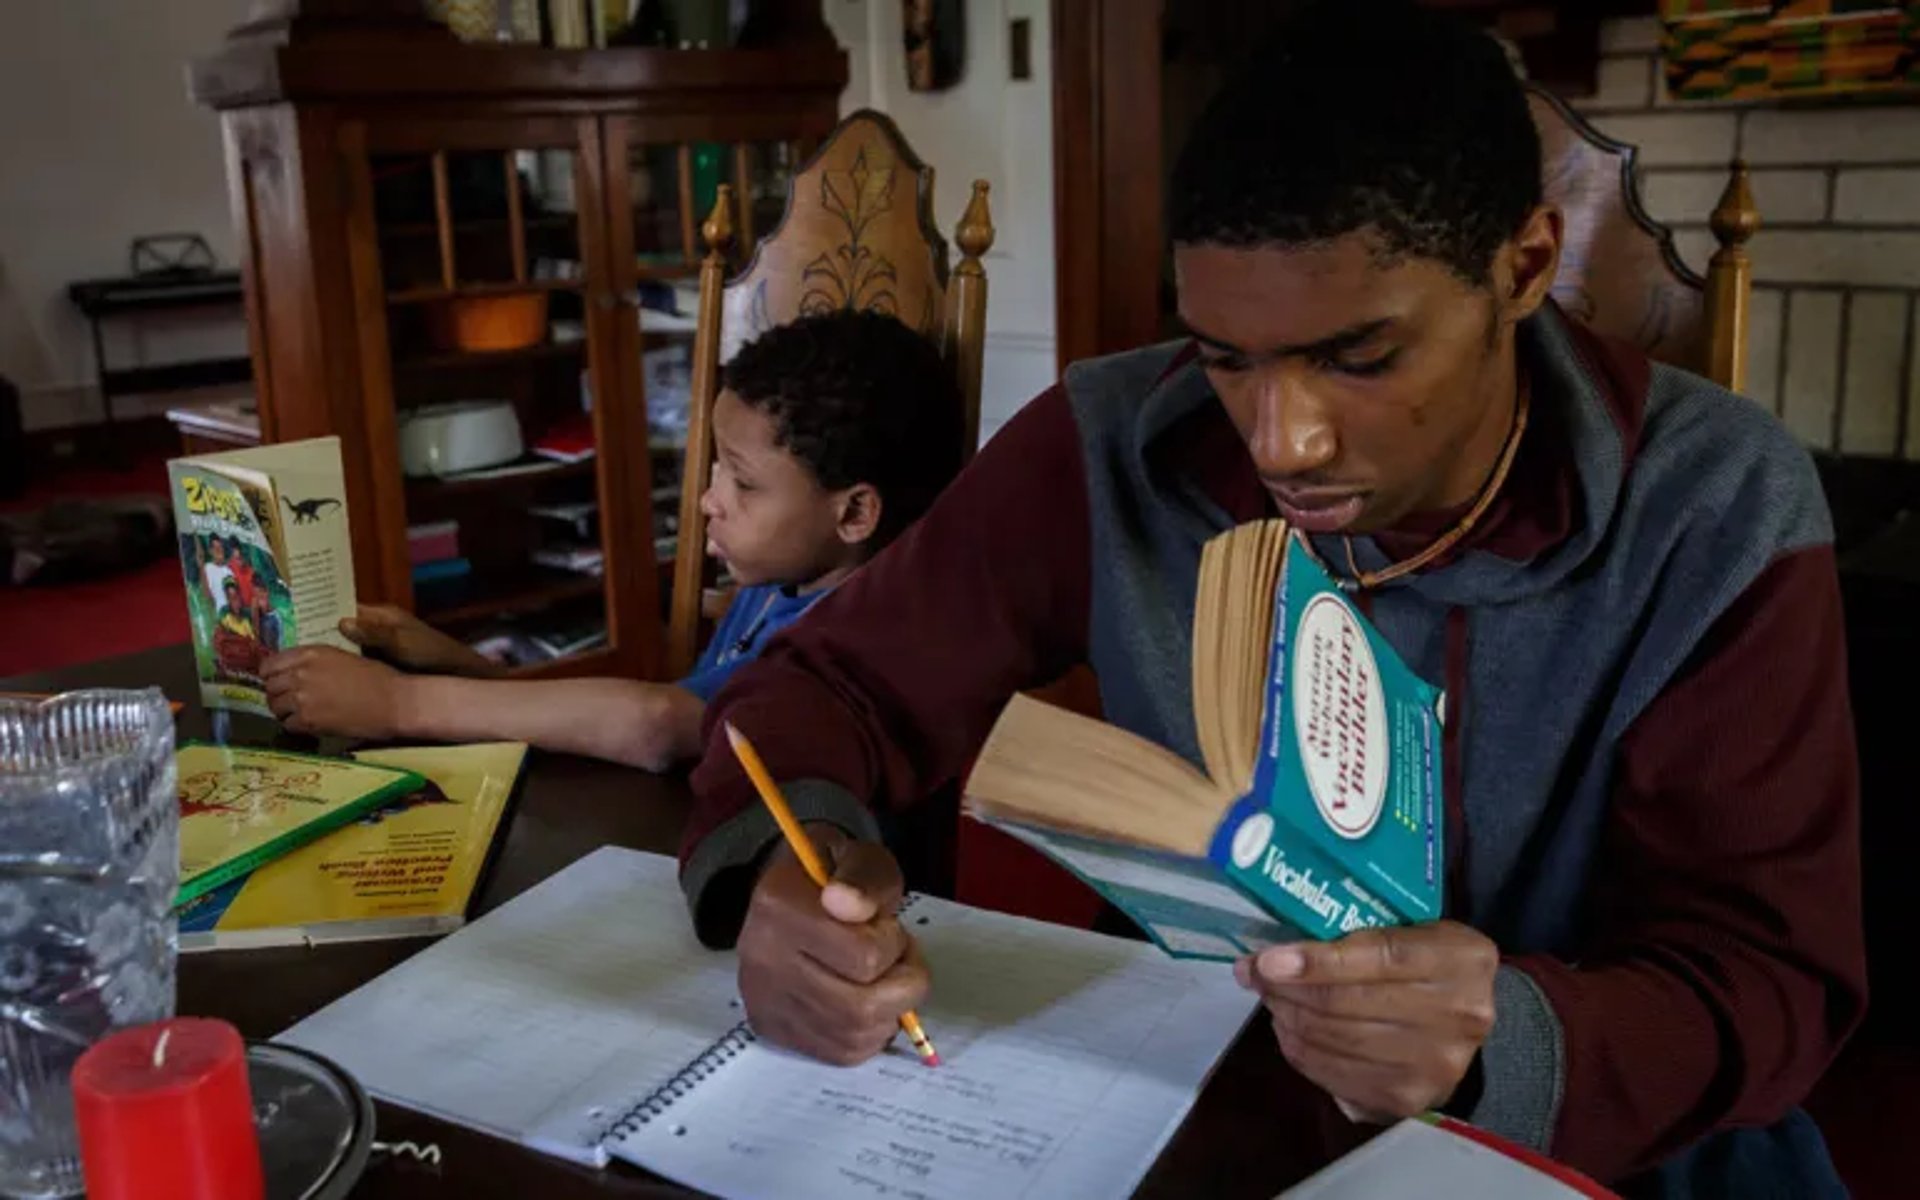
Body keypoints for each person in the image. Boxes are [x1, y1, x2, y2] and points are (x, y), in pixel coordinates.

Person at [675, 3, 1866, 1195]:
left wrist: (1497, 1038)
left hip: (1588, 1146)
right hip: (1199, 1093)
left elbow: (1769, 976)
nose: (1280, 442)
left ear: (1525, 267)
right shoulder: (1112, 443)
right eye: (1227, 357)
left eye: (1358, 358)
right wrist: (791, 872)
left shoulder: (1715, 507)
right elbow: (831, 684)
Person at [261, 309, 966, 772]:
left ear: (854, 514)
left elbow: (661, 726)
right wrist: (451, 666)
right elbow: (640, 714)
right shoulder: (786, 578)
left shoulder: (850, 635)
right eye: (717, 471)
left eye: (744, 485)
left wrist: (398, 706)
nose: (707, 502)